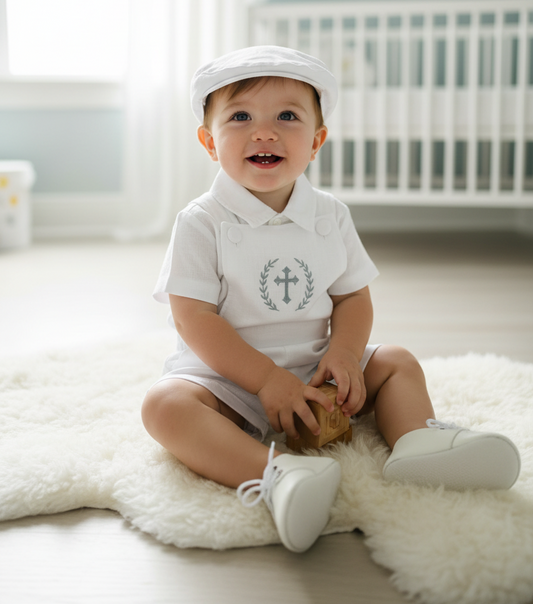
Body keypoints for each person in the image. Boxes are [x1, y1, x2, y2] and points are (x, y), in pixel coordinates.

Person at [142, 45, 521, 553]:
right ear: (209, 142)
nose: (265, 131)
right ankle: (279, 477)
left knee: (396, 360)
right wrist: (265, 380)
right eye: (240, 117)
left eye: (287, 116)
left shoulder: (330, 215)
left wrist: (343, 355)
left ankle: (417, 441)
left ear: (316, 141)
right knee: (164, 406)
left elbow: (353, 298)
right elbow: (193, 319)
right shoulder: (201, 222)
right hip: (228, 379)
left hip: (316, 367)